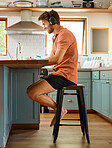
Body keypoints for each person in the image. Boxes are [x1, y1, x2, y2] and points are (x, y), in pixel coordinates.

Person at [27, 10, 78, 127]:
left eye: (44, 24)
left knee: (33, 92)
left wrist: (36, 62)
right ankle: (59, 109)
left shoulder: (65, 35)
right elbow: (51, 58)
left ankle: (59, 109)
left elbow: (57, 59)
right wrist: (36, 61)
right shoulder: (57, 37)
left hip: (65, 76)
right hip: (59, 73)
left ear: (52, 21)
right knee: (31, 89)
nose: (44, 27)